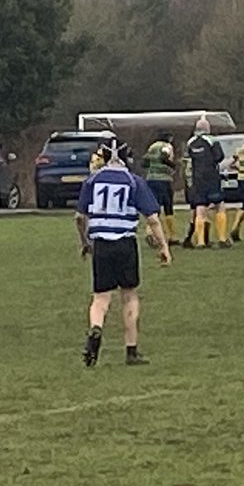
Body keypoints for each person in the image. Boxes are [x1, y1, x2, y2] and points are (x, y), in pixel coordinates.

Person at [76, 140, 170, 366]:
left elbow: (79, 217)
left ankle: (96, 329)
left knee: (100, 297)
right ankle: (131, 350)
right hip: (125, 243)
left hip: (102, 245)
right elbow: (153, 219)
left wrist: (85, 241)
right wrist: (164, 246)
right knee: (129, 295)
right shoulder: (133, 181)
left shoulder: (92, 180)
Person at [186, 118, 229, 249]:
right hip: (211, 177)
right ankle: (222, 239)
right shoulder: (212, 140)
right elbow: (219, 157)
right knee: (219, 206)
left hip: (197, 178)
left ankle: (200, 242)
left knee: (200, 208)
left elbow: (190, 157)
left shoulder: (191, 142)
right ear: (207, 128)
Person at [142, 131, 178, 245]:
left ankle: (149, 231)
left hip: (151, 179)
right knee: (168, 207)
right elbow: (164, 156)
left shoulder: (152, 147)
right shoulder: (166, 146)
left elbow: (144, 162)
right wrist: (173, 166)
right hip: (164, 179)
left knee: (154, 206)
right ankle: (171, 235)